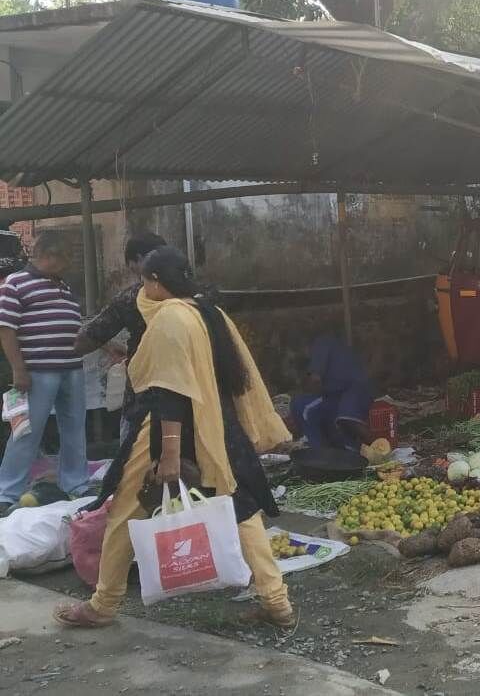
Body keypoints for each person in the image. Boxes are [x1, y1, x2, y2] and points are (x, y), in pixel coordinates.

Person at [54, 247, 294, 629]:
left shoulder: (170, 318)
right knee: (240, 508)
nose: (142, 289)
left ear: (155, 282)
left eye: (144, 281)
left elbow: (170, 391)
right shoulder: (209, 312)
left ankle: (104, 603)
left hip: (171, 428)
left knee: (125, 509)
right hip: (217, 425)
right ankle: (277, 601)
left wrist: (168, 454)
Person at [0, 233, 87, 515]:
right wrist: (18, 368)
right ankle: (7, 491)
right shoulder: (15, 283)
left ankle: (76, 483)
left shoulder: (62, 285)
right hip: (38, 371)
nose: (68, 264)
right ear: (50, 255)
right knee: (27, 431)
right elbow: (6, 329)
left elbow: (73, 324)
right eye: (66, 257)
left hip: (71, 368)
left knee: (74, 428)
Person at [75, 232, 168, 403]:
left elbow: (85, 340)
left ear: (139, 259)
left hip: (148, 390)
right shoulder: (201, 295)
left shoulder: (133, 298)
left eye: (132, 267)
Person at [290, 335, 374, 451]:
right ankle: (350, 449)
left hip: (351, 390)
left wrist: (302, 391)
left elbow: (315, 380)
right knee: (338, 421)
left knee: (301, 405)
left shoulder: (321, 343)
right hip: (346, 393)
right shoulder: (338, 345)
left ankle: (316, 450)